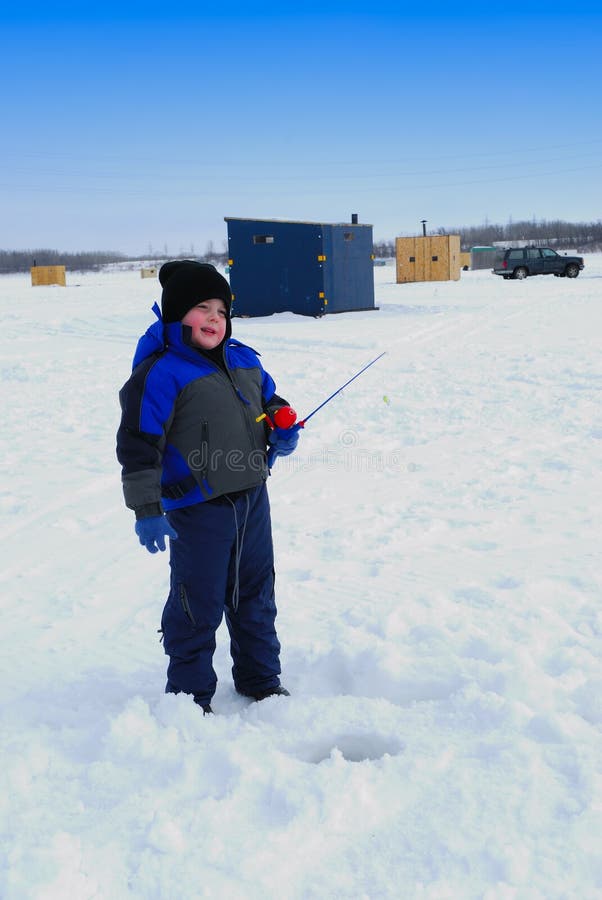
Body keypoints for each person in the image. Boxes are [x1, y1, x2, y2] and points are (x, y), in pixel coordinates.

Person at [116, 260, 299, 714]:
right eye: (203, 308)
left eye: (221, 309)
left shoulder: (245, 359)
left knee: (255, 592)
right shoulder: (161, 373)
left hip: (252, 496)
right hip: (196, 509)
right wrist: (146, 509)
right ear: (179, 315)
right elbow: (138, 445)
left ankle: (260, 678)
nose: (215, 318)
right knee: (196, 601)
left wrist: (281, 424)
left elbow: (269, 401)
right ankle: (189, 695)